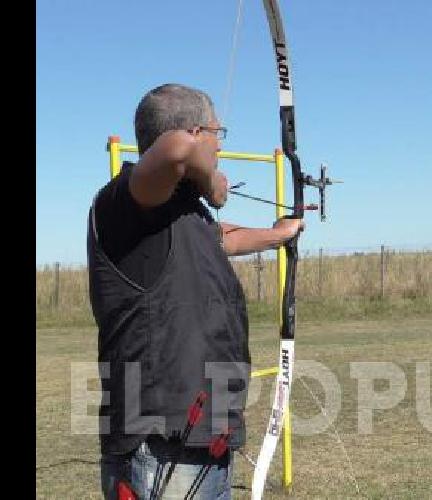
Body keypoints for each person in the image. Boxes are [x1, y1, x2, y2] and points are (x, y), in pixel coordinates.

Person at [87, 83, 303, 500]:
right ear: (197, 131)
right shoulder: (125, 201)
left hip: (201, 439)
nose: (219, 148)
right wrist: (213, 184)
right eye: (216, 136)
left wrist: (278, 235)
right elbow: (177, 150)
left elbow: (219, 238)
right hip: (160, 448)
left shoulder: (183, 217)